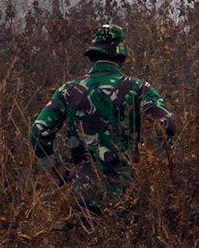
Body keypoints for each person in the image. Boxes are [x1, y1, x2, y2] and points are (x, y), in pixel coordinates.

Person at [29, 22, 178, 204]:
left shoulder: (68, 91)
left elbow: (38, 133)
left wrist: (61, 176)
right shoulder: (139, 89)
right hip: (129, 195)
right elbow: (167, 123)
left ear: (93, 55)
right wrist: (152, 169)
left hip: (83, 198)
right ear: (122, 56)